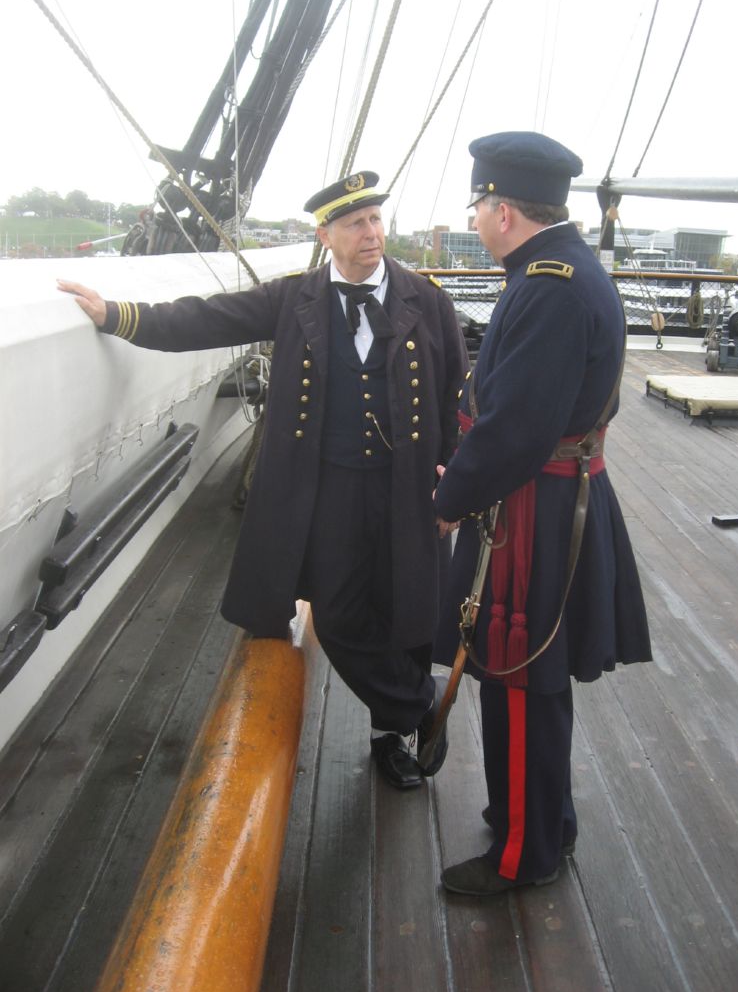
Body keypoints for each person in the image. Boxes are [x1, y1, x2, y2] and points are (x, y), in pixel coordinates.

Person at [58, 170, 468, 790]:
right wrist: (117, 315)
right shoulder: (294, 300)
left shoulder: (427, 300)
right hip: (330, 489)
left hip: (407, 488)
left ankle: (391, 736)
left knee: (406, 608)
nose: (371, 233)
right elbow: (207, 320)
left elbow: (457, 395)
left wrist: (454, 480)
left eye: (375, 219)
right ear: (325, 235)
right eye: (354, 223)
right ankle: (419, 703)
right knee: (338, 615)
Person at [432, 132, 652, 895]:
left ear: (502, 209)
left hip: (533, 510)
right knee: (534, 679)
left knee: (519, 676)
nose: (476, 220)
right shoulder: (563, 268)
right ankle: (547, 818)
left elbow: (516, 428)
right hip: (551, 496)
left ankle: (525, 851)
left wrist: (449, 500)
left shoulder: (550, 286)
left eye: (478, 206)